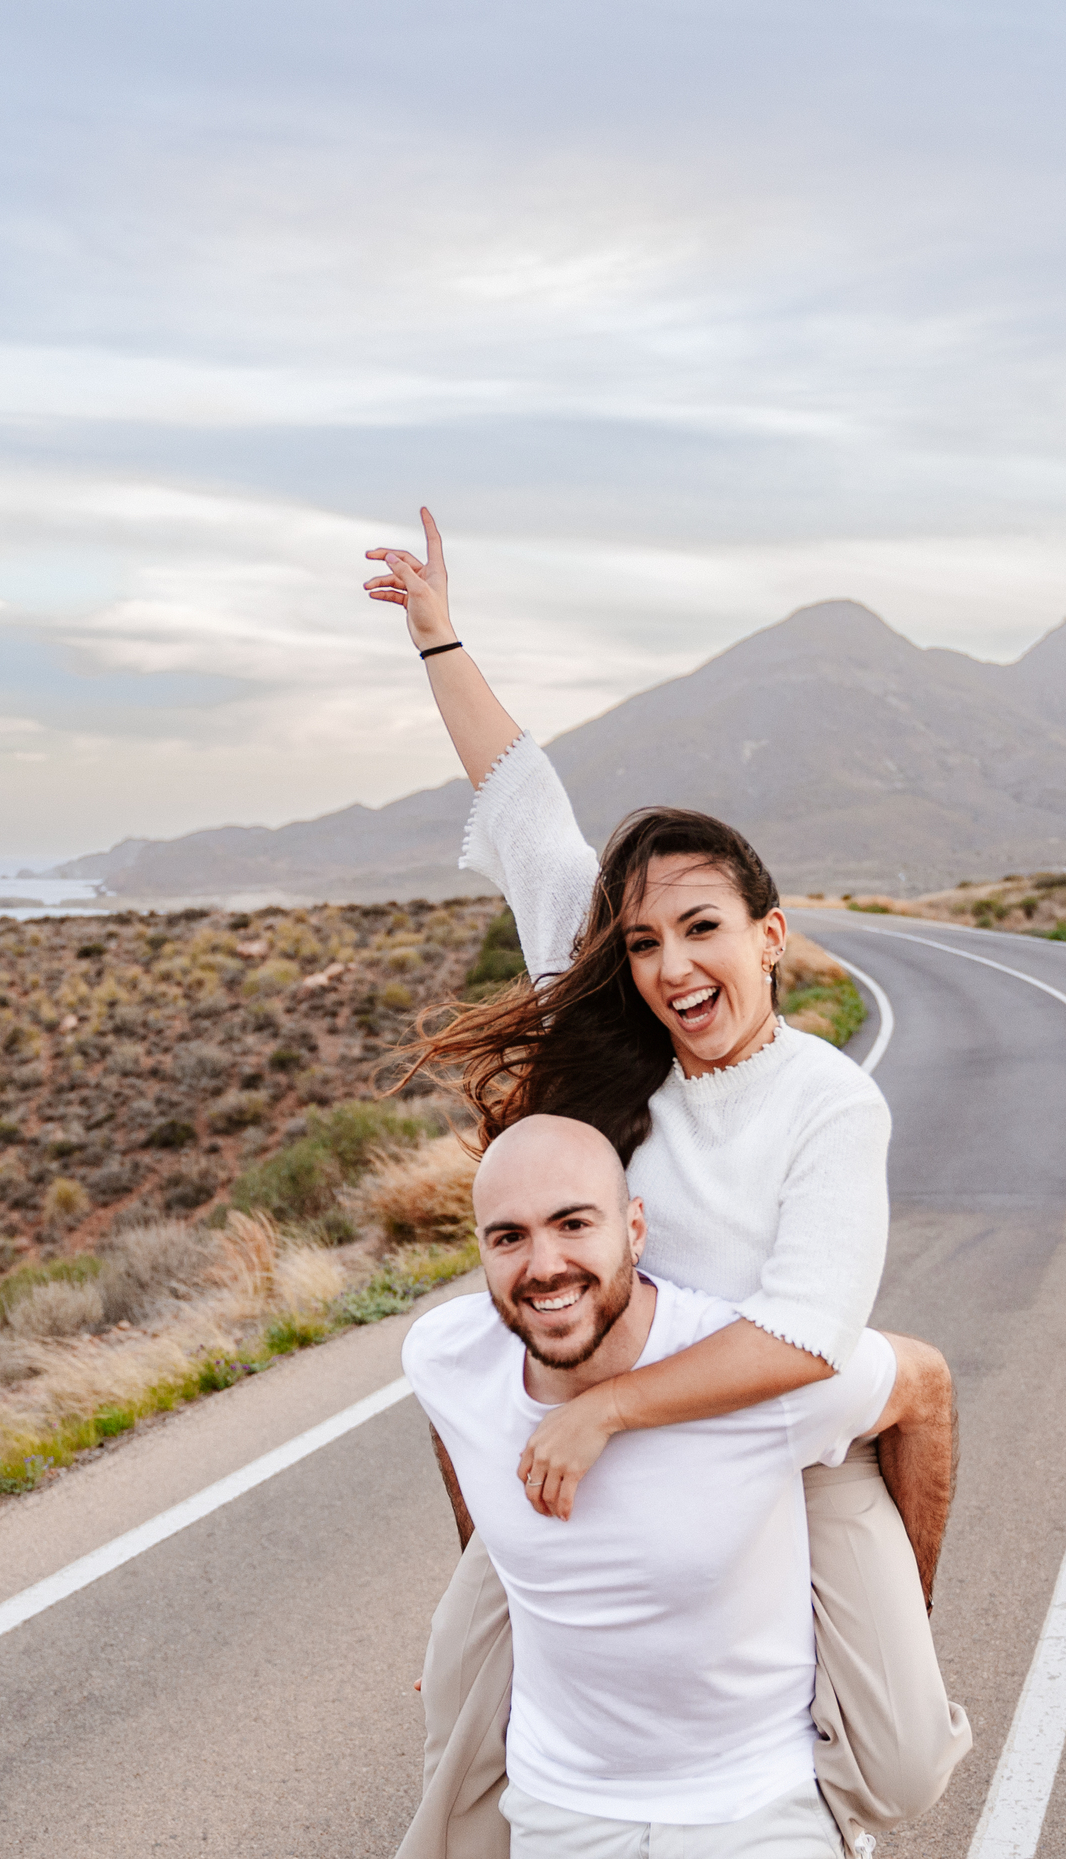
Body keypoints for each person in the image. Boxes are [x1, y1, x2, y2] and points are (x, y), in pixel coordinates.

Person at [366, 511, 971, 1857]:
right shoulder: (608, 1034)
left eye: (701, 929)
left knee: (904, 1747)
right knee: (461, 1738)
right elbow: (523, 809)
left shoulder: (827, 1100)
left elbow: (806, 1331)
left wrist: (621, 1409)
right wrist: (438, 634)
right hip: (597, 1405)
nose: (671, 964)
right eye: (642, 938)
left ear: (767, 934)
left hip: (767, 1427)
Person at [406, 1114, 957, 1858]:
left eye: (574, 1224)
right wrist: (498, 1570)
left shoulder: (758, 1373)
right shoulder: (446, 1355)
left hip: (759, 1808)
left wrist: (907, 1612)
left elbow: (925, 1385)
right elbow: (454, 1426)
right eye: (509, 1236)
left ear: (636, 1229)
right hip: (558, 1810)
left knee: (907, 1767)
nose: (543, 1265)